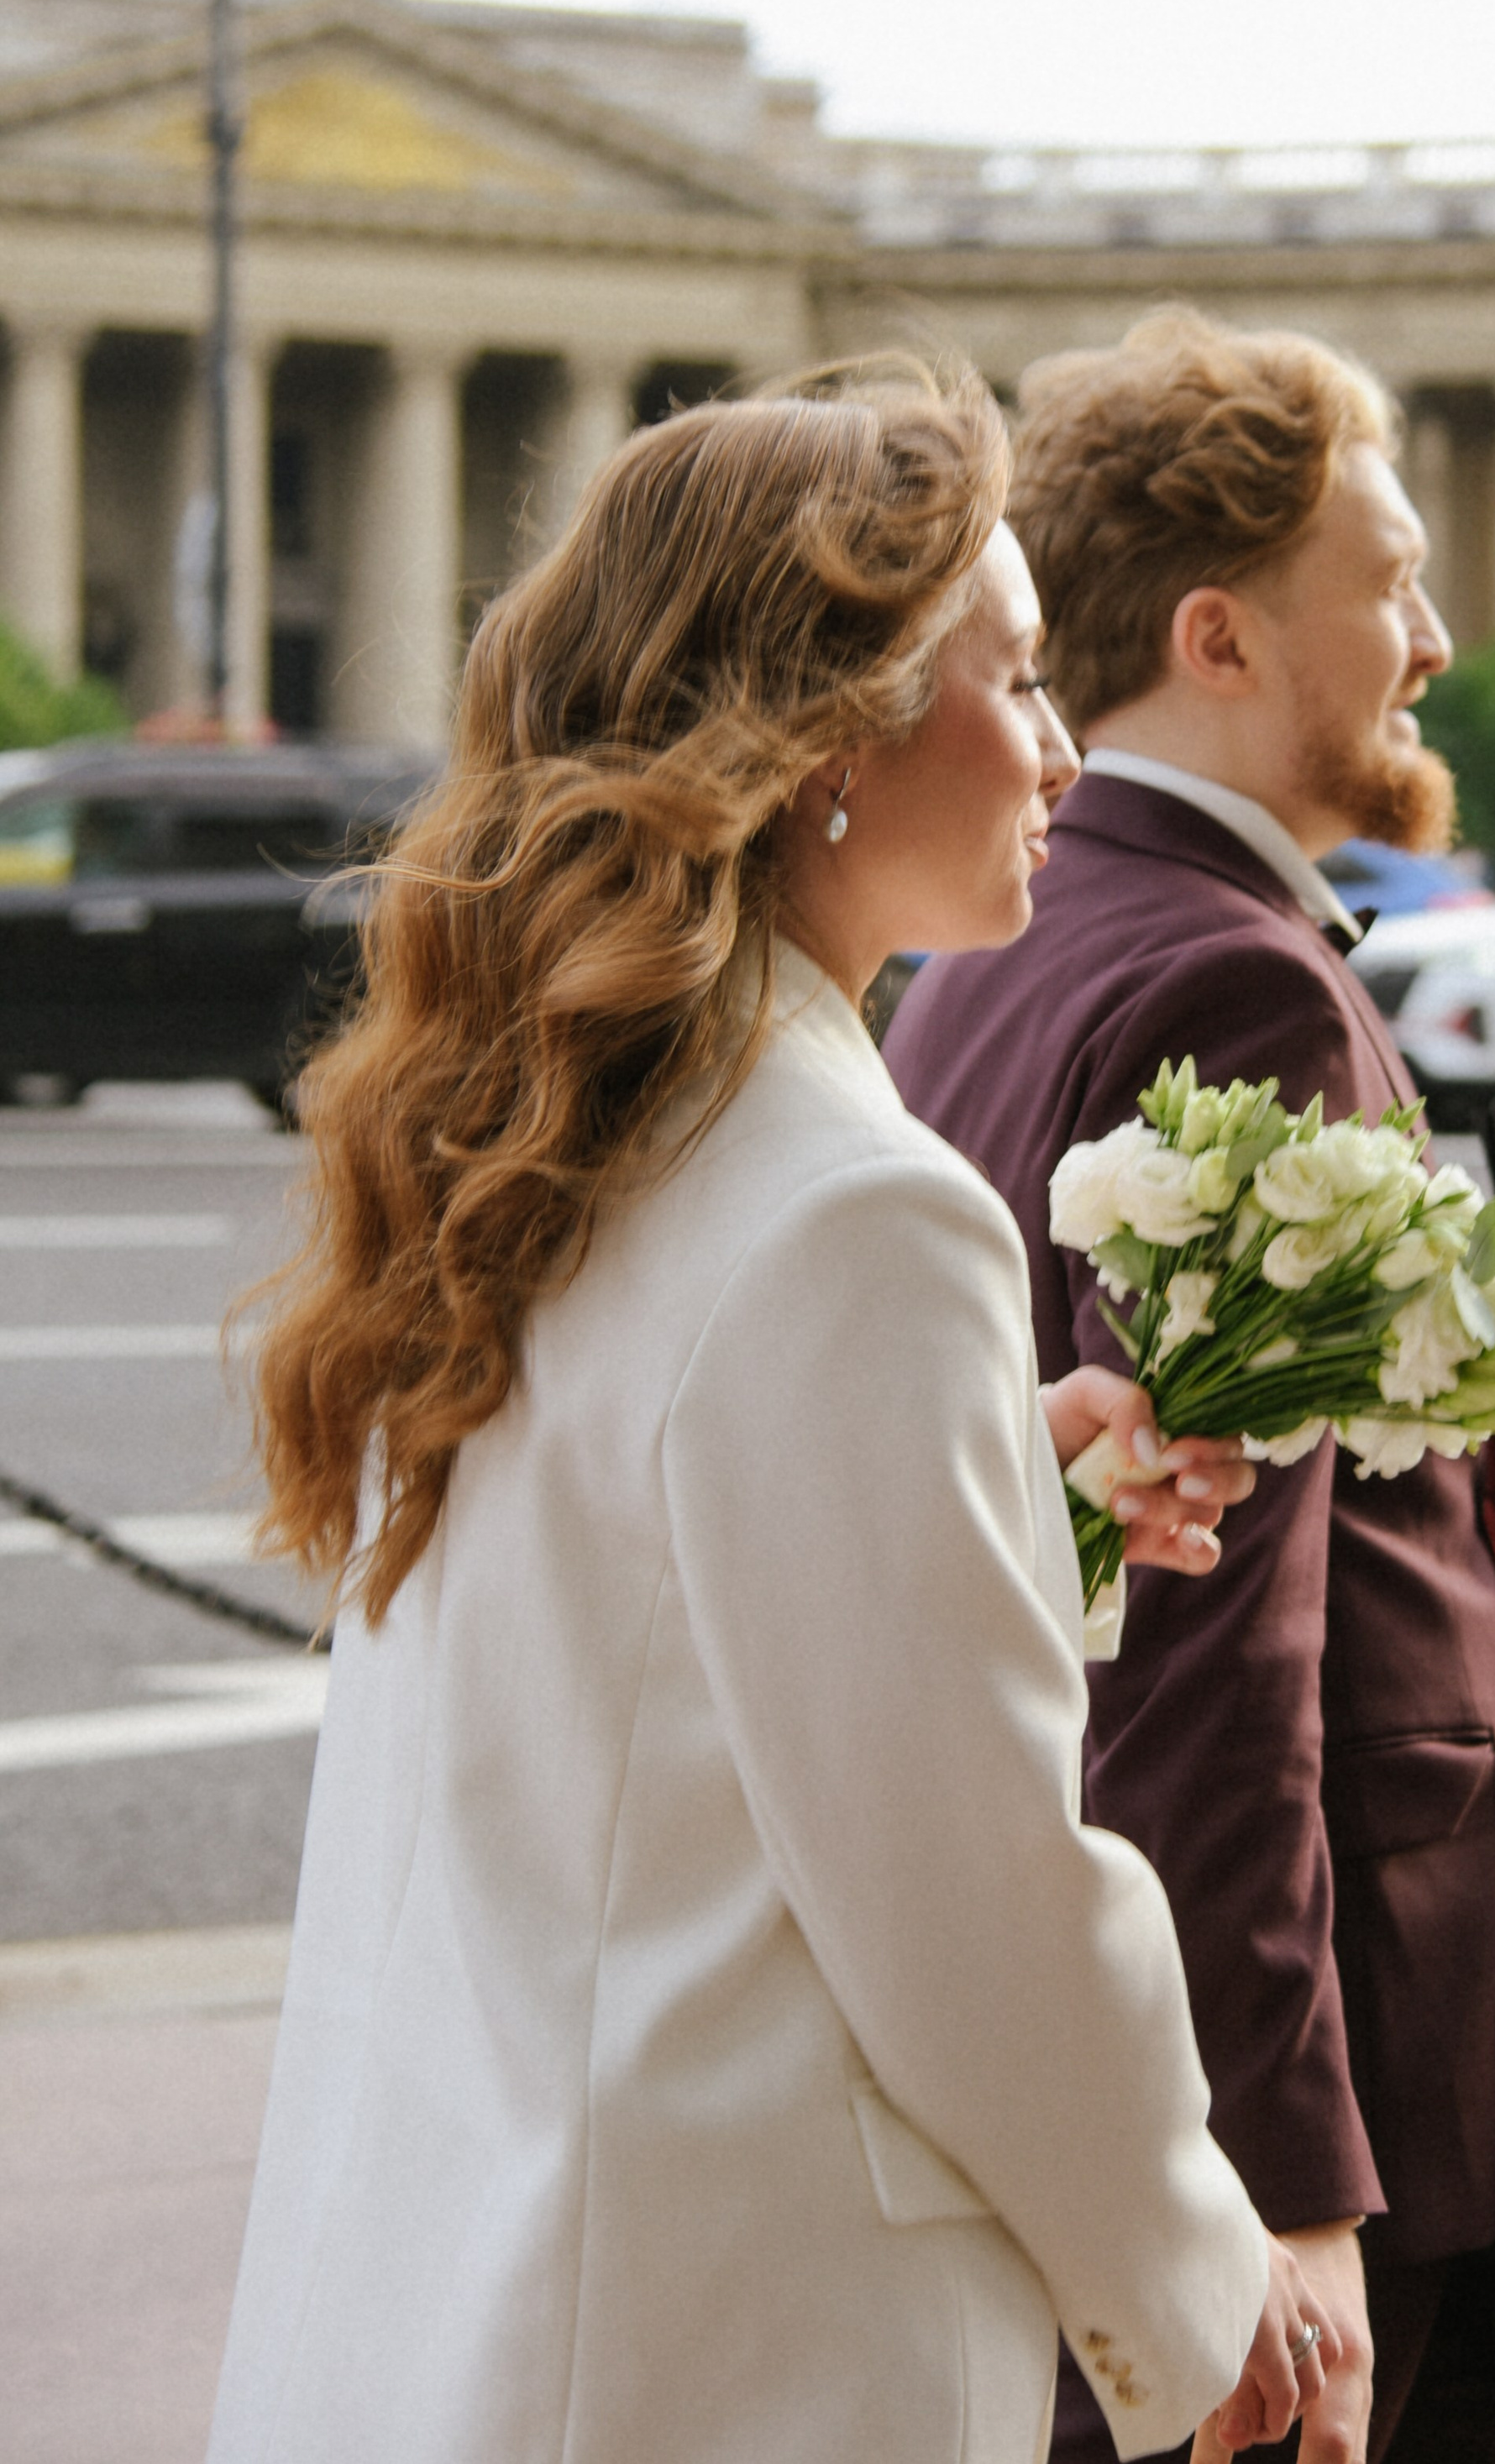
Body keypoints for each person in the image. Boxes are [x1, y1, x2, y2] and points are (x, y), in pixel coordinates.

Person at [207, 362, 1340, 2464]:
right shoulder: (857, 1210)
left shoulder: (538, 1131)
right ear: (827, 736)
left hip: (486, 2271)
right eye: (1006, 678)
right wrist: (1206, 2285)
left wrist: (1024, 1489)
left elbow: (645, 1657)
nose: (1063, 747)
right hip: (731, 2333)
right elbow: (970, 1899)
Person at [884, 312, 1495, 2464]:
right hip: (1312, 2047)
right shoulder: (1235, 982)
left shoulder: (1001, 938)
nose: (1432, 639)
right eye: (1388, 579)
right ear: (1219, 634)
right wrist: (1276, 2184)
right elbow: (1206, 1637)